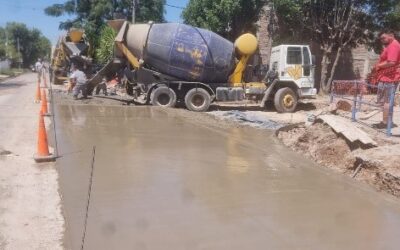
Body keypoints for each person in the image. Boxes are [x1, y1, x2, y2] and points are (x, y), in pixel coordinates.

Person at [373, 30, 400, 129]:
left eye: (384, 38)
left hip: (389, 78)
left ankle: (385, 123)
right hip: (386, 77)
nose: (382, 40)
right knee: (385, 101)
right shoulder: (390, 45)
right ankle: (386, 122)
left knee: (387, 101)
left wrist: (378, 66)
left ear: (391, 35)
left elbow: (392, 62)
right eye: (381, 39)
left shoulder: (394, 45)